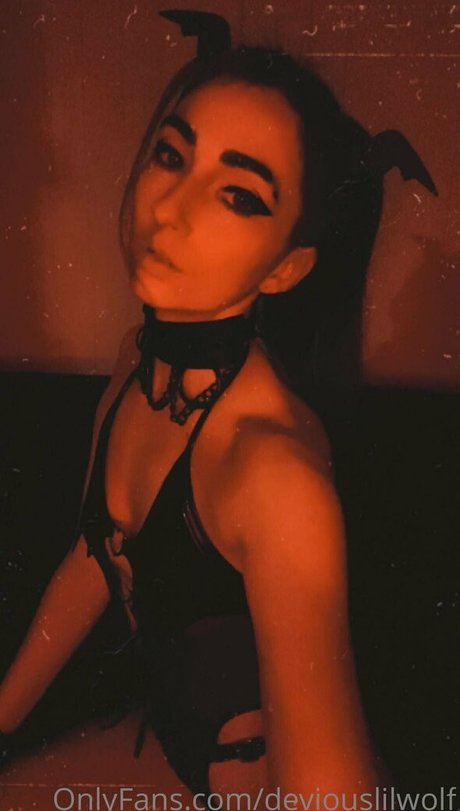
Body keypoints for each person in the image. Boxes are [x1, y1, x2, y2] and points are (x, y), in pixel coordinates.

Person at [0, 13, 434, 802]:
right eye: (172, 155)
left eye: (238, 195)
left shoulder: (273, 474)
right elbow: (100, 556)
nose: (171, 208)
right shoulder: (137, 360)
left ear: (287, 267)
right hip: (164, 747)